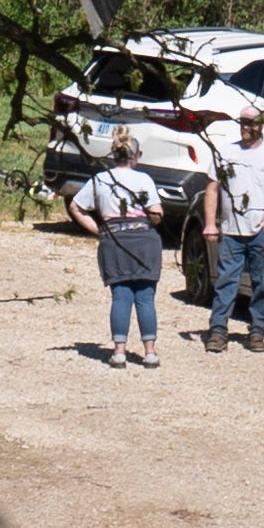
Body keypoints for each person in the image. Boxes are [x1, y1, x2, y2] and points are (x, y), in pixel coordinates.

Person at [71, 126, 174, 367]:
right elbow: (156, 214)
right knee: (145, 297)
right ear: (136, 156)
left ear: (113, 155)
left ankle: (119, 352)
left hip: (114, 240)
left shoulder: (100, 180)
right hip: (144, 240)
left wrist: (98, 229)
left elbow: (76, 207)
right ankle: (150, 352)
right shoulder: (144, 179)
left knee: (121, 296)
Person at [206, 114, 264, 350]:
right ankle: (218, 331)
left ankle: (257, 332)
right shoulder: (225, 153)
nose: (246, 127)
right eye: (243, 123)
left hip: (261, 232)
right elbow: (212, 189)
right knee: (226, 281)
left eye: (251, 123)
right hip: (231, 231)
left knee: (263, 284)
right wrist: (210, 223)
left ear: (261, 125)